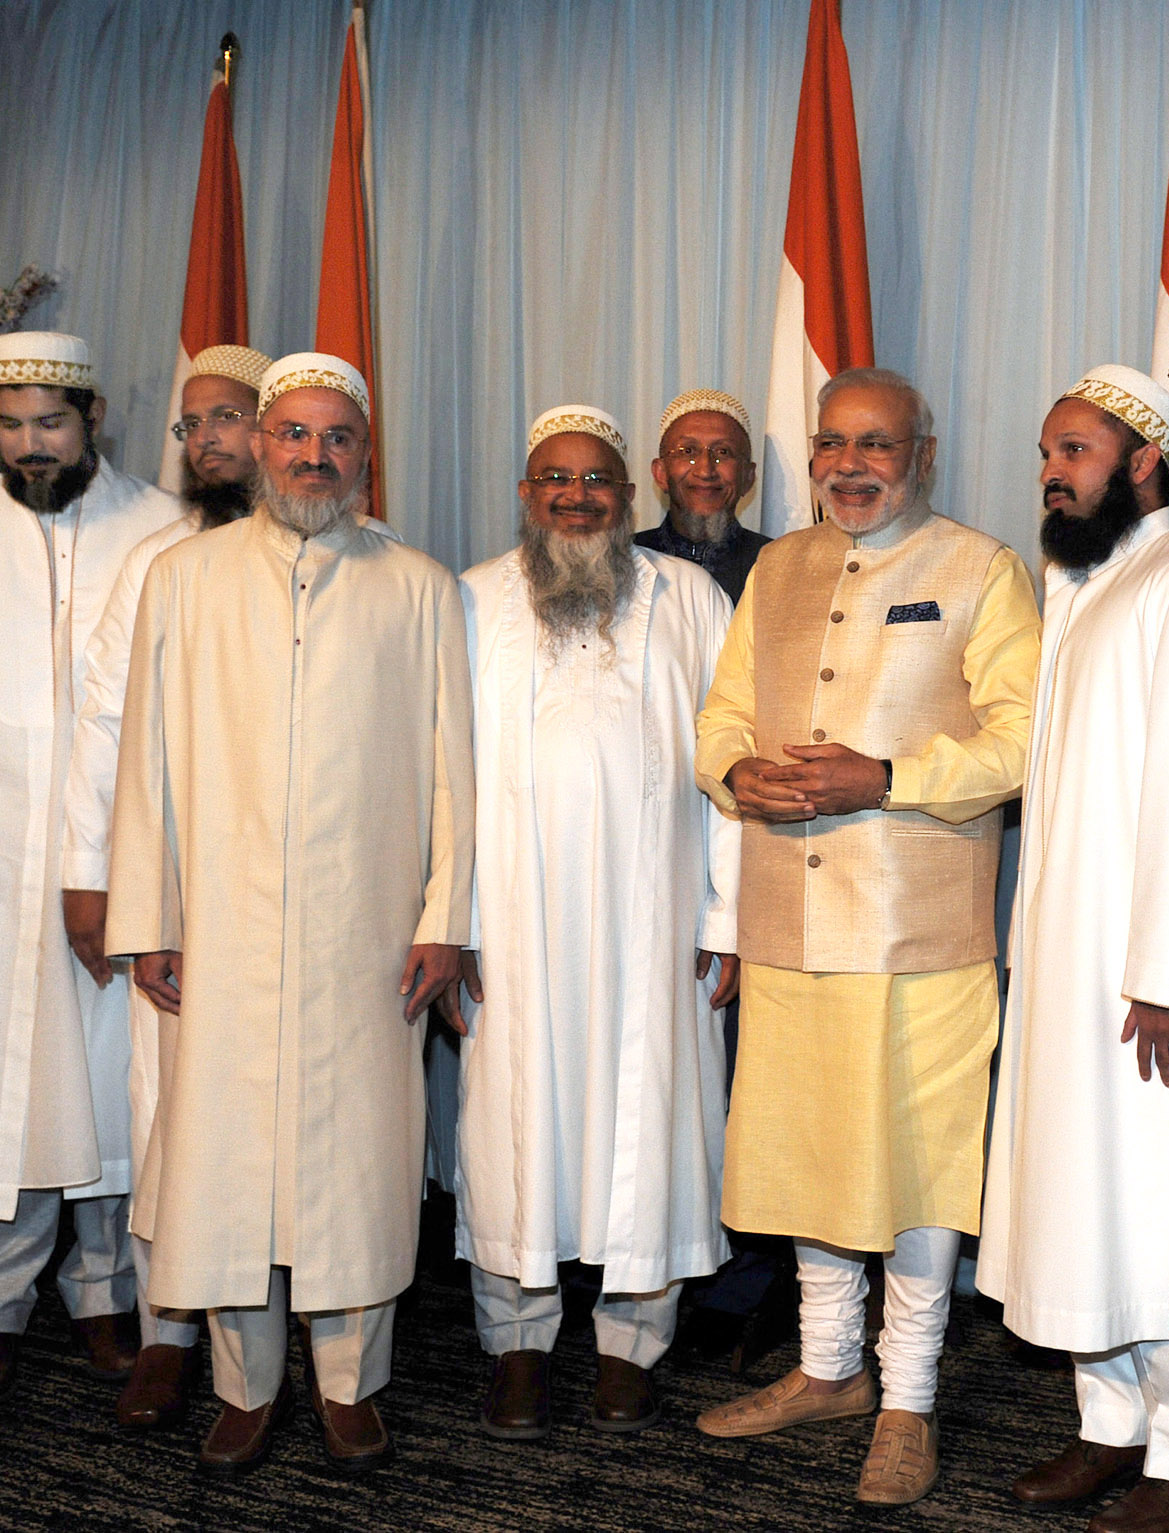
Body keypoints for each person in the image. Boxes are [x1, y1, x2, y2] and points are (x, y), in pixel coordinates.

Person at [104, 351, 475, 1476]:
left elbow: (453, 767)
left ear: (366, 456)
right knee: (224, 1163)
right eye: (295, 435)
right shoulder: (184, 578)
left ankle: (352, 1384)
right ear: (259, 446)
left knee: (354, 1160)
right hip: (218, 920)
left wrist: (444, 916)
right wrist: (146, 918)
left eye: (339, 439)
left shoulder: (418, 585)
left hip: (368, 930)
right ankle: (243, 1385)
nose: (316, 456)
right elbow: (143, 767)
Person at [691, 367, 1039, 1507]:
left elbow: (1024, 742)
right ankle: (829, 1369)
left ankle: (908, 1398)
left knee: (919, 1162)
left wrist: (886, 778)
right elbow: (722, 713)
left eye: (877, 444)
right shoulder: (779, 566)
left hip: (918, 929)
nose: (851, 464)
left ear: (923, 455)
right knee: (808, 1156)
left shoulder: (981, 568)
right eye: (833, 442)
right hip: (788, 918)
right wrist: (734, 769)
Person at [977, 365, 1169, 1533]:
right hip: (1063, 956)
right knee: (1081, 1192)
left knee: (1154, 1199)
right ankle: (1109, 1425)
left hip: (1143, 975)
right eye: (1047, 452)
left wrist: (1168, 971)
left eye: (1076, 451)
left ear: (1144, 461)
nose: (1052, 471)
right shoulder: (1077, 583)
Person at [0, 331, 183, 1408]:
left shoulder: (161, 528)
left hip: (126, 856)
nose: (29, 447)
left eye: (50, 425)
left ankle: (106, 1290)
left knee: (119, 1083)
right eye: (10, 426)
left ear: (94, 416)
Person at [453, 403, 739, 1440]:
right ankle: (517, 1343)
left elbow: (731, 766)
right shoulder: (471, 601)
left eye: (596, 482)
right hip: (507, 931)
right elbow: (436, 780)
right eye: (553, 481)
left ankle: (631, 1345)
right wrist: (446, 925)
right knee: (511, 1125)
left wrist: (731, 914)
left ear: (628, 496)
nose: (575, 498)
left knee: (650, 1119)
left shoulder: (693, 599)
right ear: (526, 496)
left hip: (656, 926)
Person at [58, 342, 276, 1431]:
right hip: (177, 893)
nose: (208, 442)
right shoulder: (154, 564)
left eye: (229, 418)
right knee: (171, 1114)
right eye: (193, 426)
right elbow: (104, 730)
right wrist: (94, 883)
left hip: (297, 901)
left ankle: (275, 1339)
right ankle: (166, 1331)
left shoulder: (353, 559)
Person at [638, 389, 770, 602]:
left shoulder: (778, 565)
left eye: (723, 453)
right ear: (660, 473)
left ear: (748, 476)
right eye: (688, 451)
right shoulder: (624, 561)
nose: (705, 470)